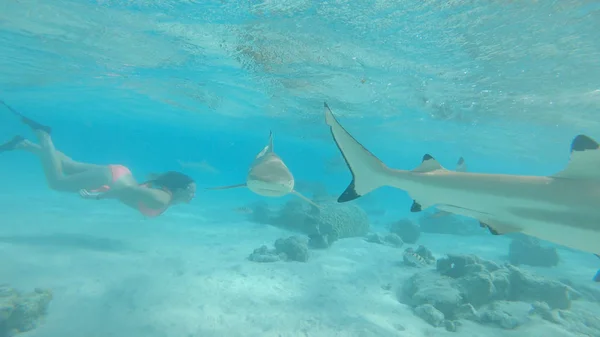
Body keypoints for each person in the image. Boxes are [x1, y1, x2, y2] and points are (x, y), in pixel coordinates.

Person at [0, 100, 196, 217]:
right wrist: (100, 195)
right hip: (111, 180)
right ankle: (43, 135)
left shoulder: (165, 196)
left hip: (118, 173)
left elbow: (131, 191)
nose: (193, 195)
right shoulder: (162, 199)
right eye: (190, 191)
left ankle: (23, 144)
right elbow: (129, 190)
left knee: (68, 165)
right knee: (58, 182)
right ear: (177, 189)